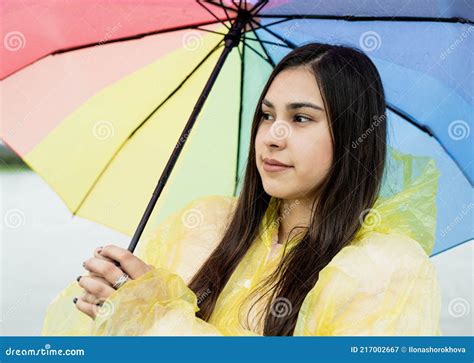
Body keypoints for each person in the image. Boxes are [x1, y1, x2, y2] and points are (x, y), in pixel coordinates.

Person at [41, 43, 442, 336]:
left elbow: (155, 324)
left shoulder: (385, 270)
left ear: (354, 136)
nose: (272, 136)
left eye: (301, 118)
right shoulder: (203, 224)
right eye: (267, 115)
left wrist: (155, 320)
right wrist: (110, 308)